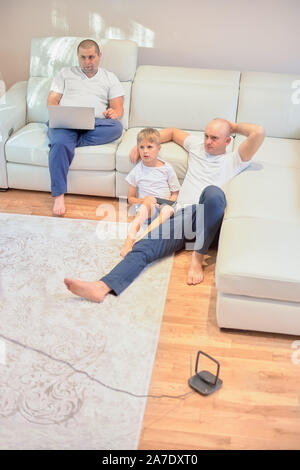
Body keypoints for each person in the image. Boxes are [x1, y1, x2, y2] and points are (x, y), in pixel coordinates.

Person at [64, 118, 265, 302]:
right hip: (181, 216)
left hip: (209, 219)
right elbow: (170, 132)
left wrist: (234, 126)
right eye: (206, 136)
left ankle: (198, 257)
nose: (208, 142)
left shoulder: (234, 159)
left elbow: (259, 132)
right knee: (144, 246)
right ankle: (102, 286)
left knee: (212, 193)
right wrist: (140, 147)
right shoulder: (196, 146)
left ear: (228, 141)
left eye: (214, 138)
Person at [47, 39, 124, 216]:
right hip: (66, 123)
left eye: (91, 57)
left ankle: (68, 142)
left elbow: (118, 107)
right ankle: (59, 195)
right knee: (60, 142)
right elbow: (52, 100)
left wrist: (114, 113)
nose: (87, 62)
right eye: (83, 57)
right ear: (78, 57)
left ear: (99, 56)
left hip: (95, 124)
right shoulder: (65, 73)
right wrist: (58, 114)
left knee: (116, 128)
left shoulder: (109, 77)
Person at [120, 127, 180, 257]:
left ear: (158, 148)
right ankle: (129, 241)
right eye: (141, 147)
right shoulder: (137, 170)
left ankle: (142, 238)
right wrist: (144, 200)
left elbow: (175, 193)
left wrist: (169, 203)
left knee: (168, 210)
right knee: (146, 205)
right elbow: (130, 198)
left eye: (149, 147)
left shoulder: (167, 168)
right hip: (146, 207)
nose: (145, 151)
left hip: (163, 206)